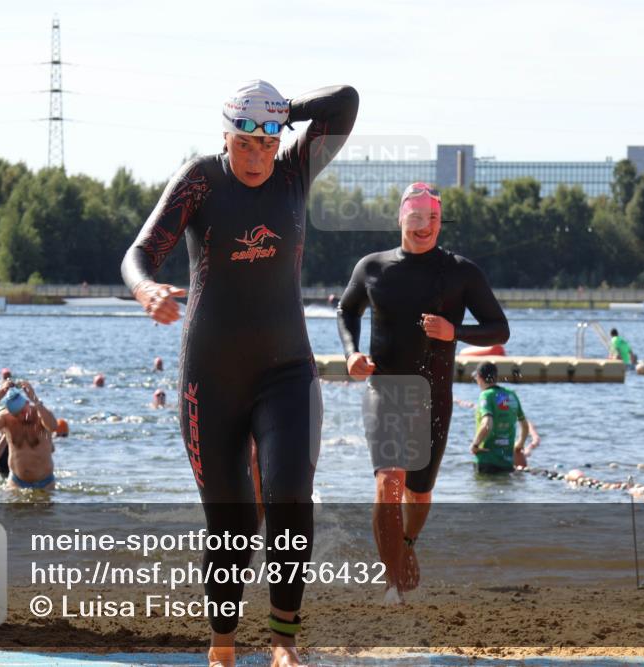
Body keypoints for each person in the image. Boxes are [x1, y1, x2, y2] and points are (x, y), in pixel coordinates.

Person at [121, 79, 358, 667]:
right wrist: (146, 289)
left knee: (289, 501)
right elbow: (138, 254)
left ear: (280, 138)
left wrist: (282, 111)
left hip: (287, 372)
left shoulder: (295, 169)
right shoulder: (201, 178)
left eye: (267, 142)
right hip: (212, 378)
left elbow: (346, 100)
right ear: (224, 138)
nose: (255, 158)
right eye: (243, 143)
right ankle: (223, 644)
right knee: (232, 527)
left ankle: (283, 641)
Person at [336, 182, 509, 604]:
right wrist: (351, 353)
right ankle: (391, 579)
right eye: (415, 218)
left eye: (432, 218)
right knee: (389, 481)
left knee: (419, 492)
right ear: (400, 218)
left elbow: (499, 328)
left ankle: (407, 546)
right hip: (385, 389)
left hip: (434, 395)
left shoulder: (461, 272)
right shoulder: (373, 267)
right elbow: (346, 310)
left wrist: (456, 333)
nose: (424, 227)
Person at [0, 380, 59, 490]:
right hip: (16, 482)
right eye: (17, 415)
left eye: (23, 412)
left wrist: (35, 398)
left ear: (27, 403)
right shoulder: (6, 418)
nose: (21, 416)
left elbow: (53, 427)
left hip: (45, 482)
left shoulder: (40, 414)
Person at [469, 362, 540, 473]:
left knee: (484, 489)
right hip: (506, 461)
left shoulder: (486, 395)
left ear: (479, 377)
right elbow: (524, 425)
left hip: (486, 460)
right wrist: (519, 445)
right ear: (496, 377)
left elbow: (487, 423)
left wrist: (475, 444)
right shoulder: (511, 395)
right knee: (504, 487)